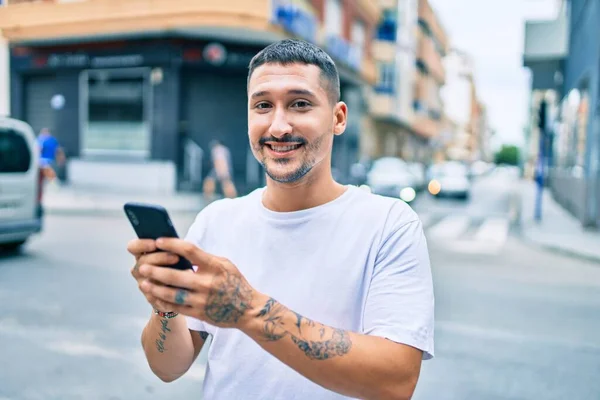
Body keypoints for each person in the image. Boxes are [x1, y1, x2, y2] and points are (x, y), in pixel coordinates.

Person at [128, 39, 434, 399]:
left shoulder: (389, 224)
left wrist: (247, 309)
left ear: (338, 118)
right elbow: (168, 367)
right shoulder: (217, 220)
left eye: (299, 104)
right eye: (262, 106)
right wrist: (165, 308)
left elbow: (395, 380)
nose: (278, 126)